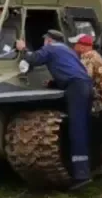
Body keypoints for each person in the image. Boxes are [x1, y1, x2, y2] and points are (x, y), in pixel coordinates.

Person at [14, 29, 94, 189]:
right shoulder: (67, 51)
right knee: (82, 126)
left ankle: (81, 175)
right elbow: (71, 70)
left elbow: (34, 59)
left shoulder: (51, 48)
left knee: (76, 128)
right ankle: (85, 167)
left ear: (49, 40)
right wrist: (54, 83)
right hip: (84, 85)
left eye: (44, 41)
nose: (43, 43)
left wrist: (23, 48)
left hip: (76, 87)